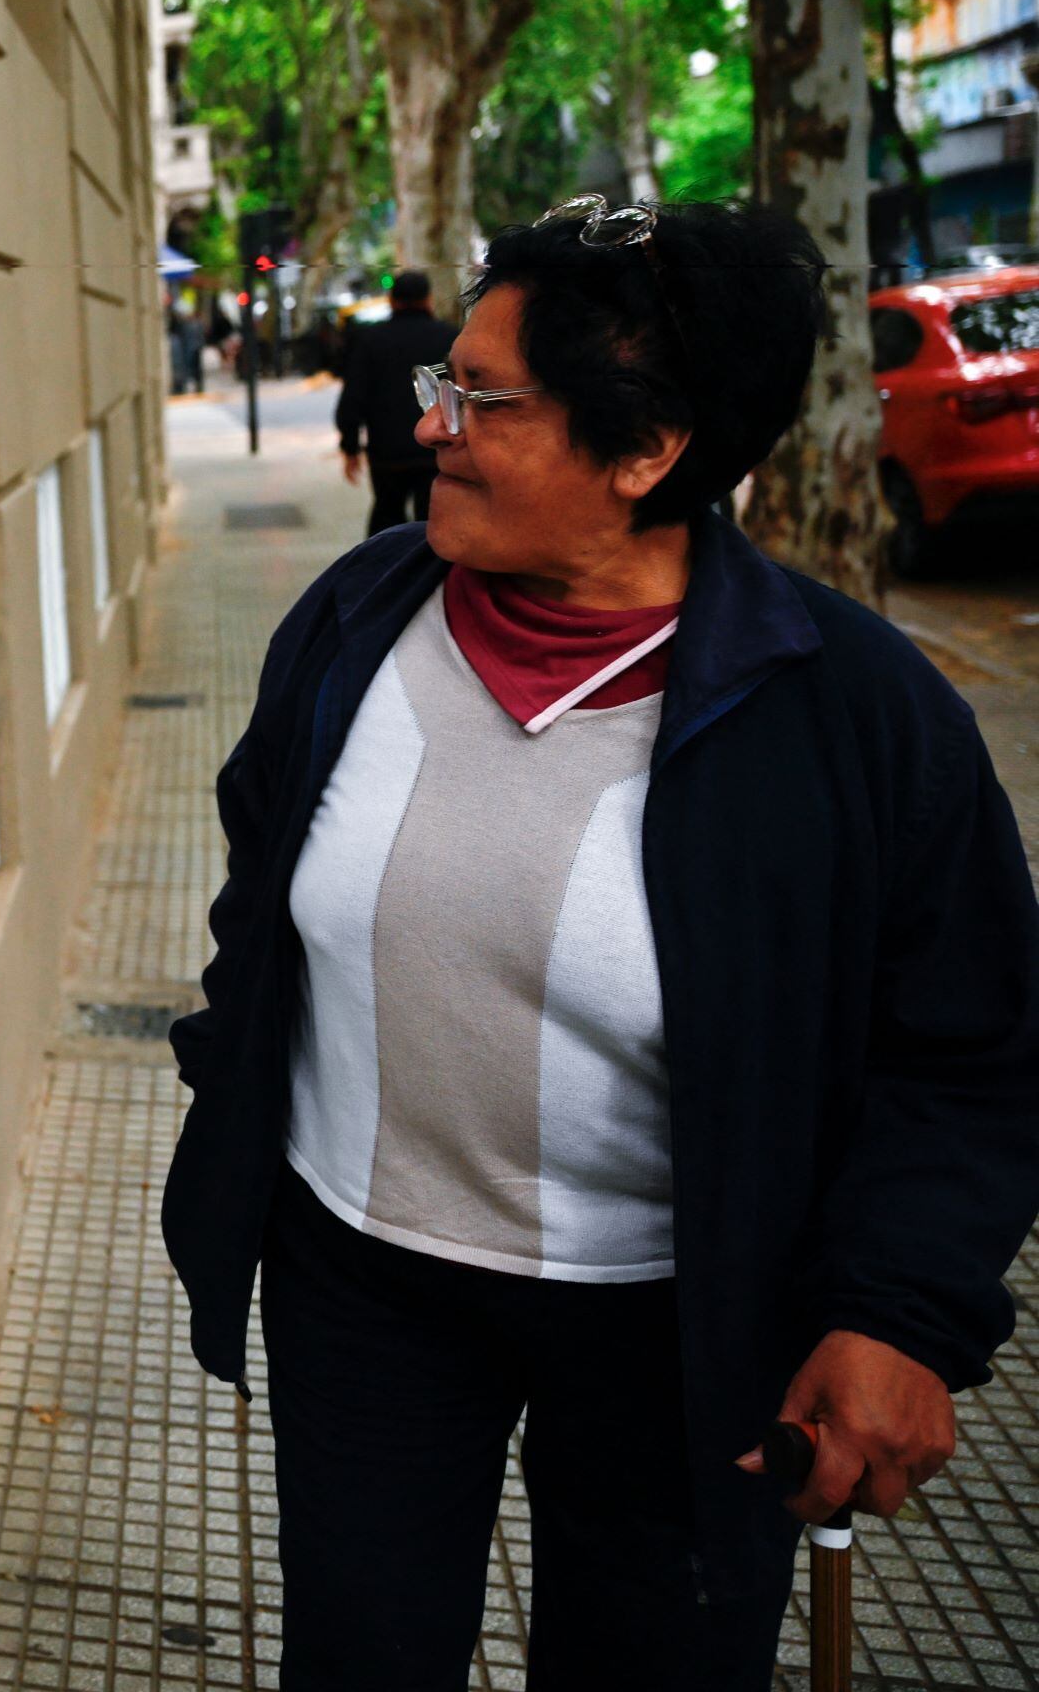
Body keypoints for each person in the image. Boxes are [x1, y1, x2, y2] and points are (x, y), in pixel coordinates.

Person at [161, 196, 1039, 1689]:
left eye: (483, 402)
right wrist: (230, 1084)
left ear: (647, 452)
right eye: (447, 384)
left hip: (681, 1337)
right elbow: (263, 893)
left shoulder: (857, 720)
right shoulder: (356, 619)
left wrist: (897, 1311)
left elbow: (969, 1056)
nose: (431, 426)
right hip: (362, 1291)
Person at [337, 269, 459, 534]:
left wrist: (350, 446)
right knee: (432, 520)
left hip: (386, 453)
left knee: (386, 516)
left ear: (392, 300)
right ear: (428, 299)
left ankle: (386, 570)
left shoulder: (370, 340)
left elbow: (353, 396)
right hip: (436, 449)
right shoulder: (449, 338)